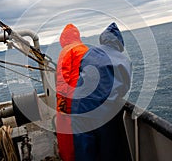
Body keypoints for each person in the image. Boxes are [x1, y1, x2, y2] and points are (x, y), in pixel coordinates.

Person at [71, 22, 132, 161]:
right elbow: (124, 87)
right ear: (119, 42)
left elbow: (82, 71)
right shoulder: (123, 60)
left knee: (84, 150)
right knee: (107, 150)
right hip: (102, 111)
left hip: (79, 106)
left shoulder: (90, 52)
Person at [56, 24, 89, 161]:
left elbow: (62, 79)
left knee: (67, 134)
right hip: (87, 99)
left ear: (63, 38)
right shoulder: (86, 49)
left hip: (72, 99)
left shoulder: (66, 51)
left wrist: (61, 103)